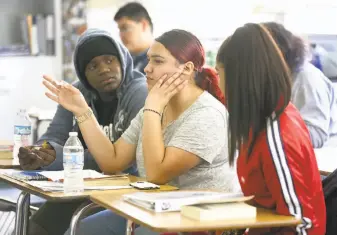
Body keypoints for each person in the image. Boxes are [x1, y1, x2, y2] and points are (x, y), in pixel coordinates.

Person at [43, 29, 240, 235]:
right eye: (148, 60)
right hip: (154, 210)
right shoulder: (156, 104)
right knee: (81, 230)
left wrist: (153, 109)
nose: (147, 69)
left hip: (195, 222)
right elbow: (112, 161)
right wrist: (82, 110)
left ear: (187, 69)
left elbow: (156, 175)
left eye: (157, 61)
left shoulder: (206, 114)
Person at [19, 28, 148, 235]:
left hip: (126, 189)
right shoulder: (77, 91)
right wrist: (39, 152)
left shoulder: (139, 91)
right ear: (83, 74)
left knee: (80, 226)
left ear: (122, 60)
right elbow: (55, 133)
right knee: (38, 224)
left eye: (109, 60)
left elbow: (122, 160)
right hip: (84, 184)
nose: (104, 69)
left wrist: (58, 157)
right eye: (92, 66)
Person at [215, 23, 326, 234]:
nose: (219, 82)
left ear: (239, 78)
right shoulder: (264, 119)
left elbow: (302, 224)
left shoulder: (276, 135)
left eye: (219, 74)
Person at [263, 22, 337, 148]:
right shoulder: (275, 76)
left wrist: (268, 136)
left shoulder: (306, 79)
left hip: (318, 157)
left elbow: (316, 135)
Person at [114, 2, 153, 74]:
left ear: (144, 25)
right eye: (120, 30)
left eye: (125, 28)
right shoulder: (124, 63)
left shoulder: (163, 62)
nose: (121, 35)